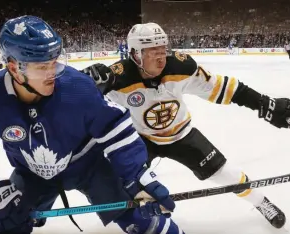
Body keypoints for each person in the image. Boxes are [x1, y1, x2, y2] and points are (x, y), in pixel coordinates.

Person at [0, 17, 183, 234]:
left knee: (144, 218)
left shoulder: (78, 88)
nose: (52, 73)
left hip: (90, 165)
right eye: (41, 67)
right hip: (32, 173)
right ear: (14, 68)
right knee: (6, 222)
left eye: (53, 63)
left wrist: (138, 176)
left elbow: (117, 131)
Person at [82, 23, 290, 229]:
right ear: (135, 54)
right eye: (153, 52)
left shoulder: (180, 68)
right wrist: (85, 85)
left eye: (163, 50)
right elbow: (79, 108)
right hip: (140, 140)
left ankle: (261, 202)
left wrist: (263, 102)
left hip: (181, 135)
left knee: (228, 175)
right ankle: (142, 223)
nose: (161, 56)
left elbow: (223, 87)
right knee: (125, 185)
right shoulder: (117, 79)